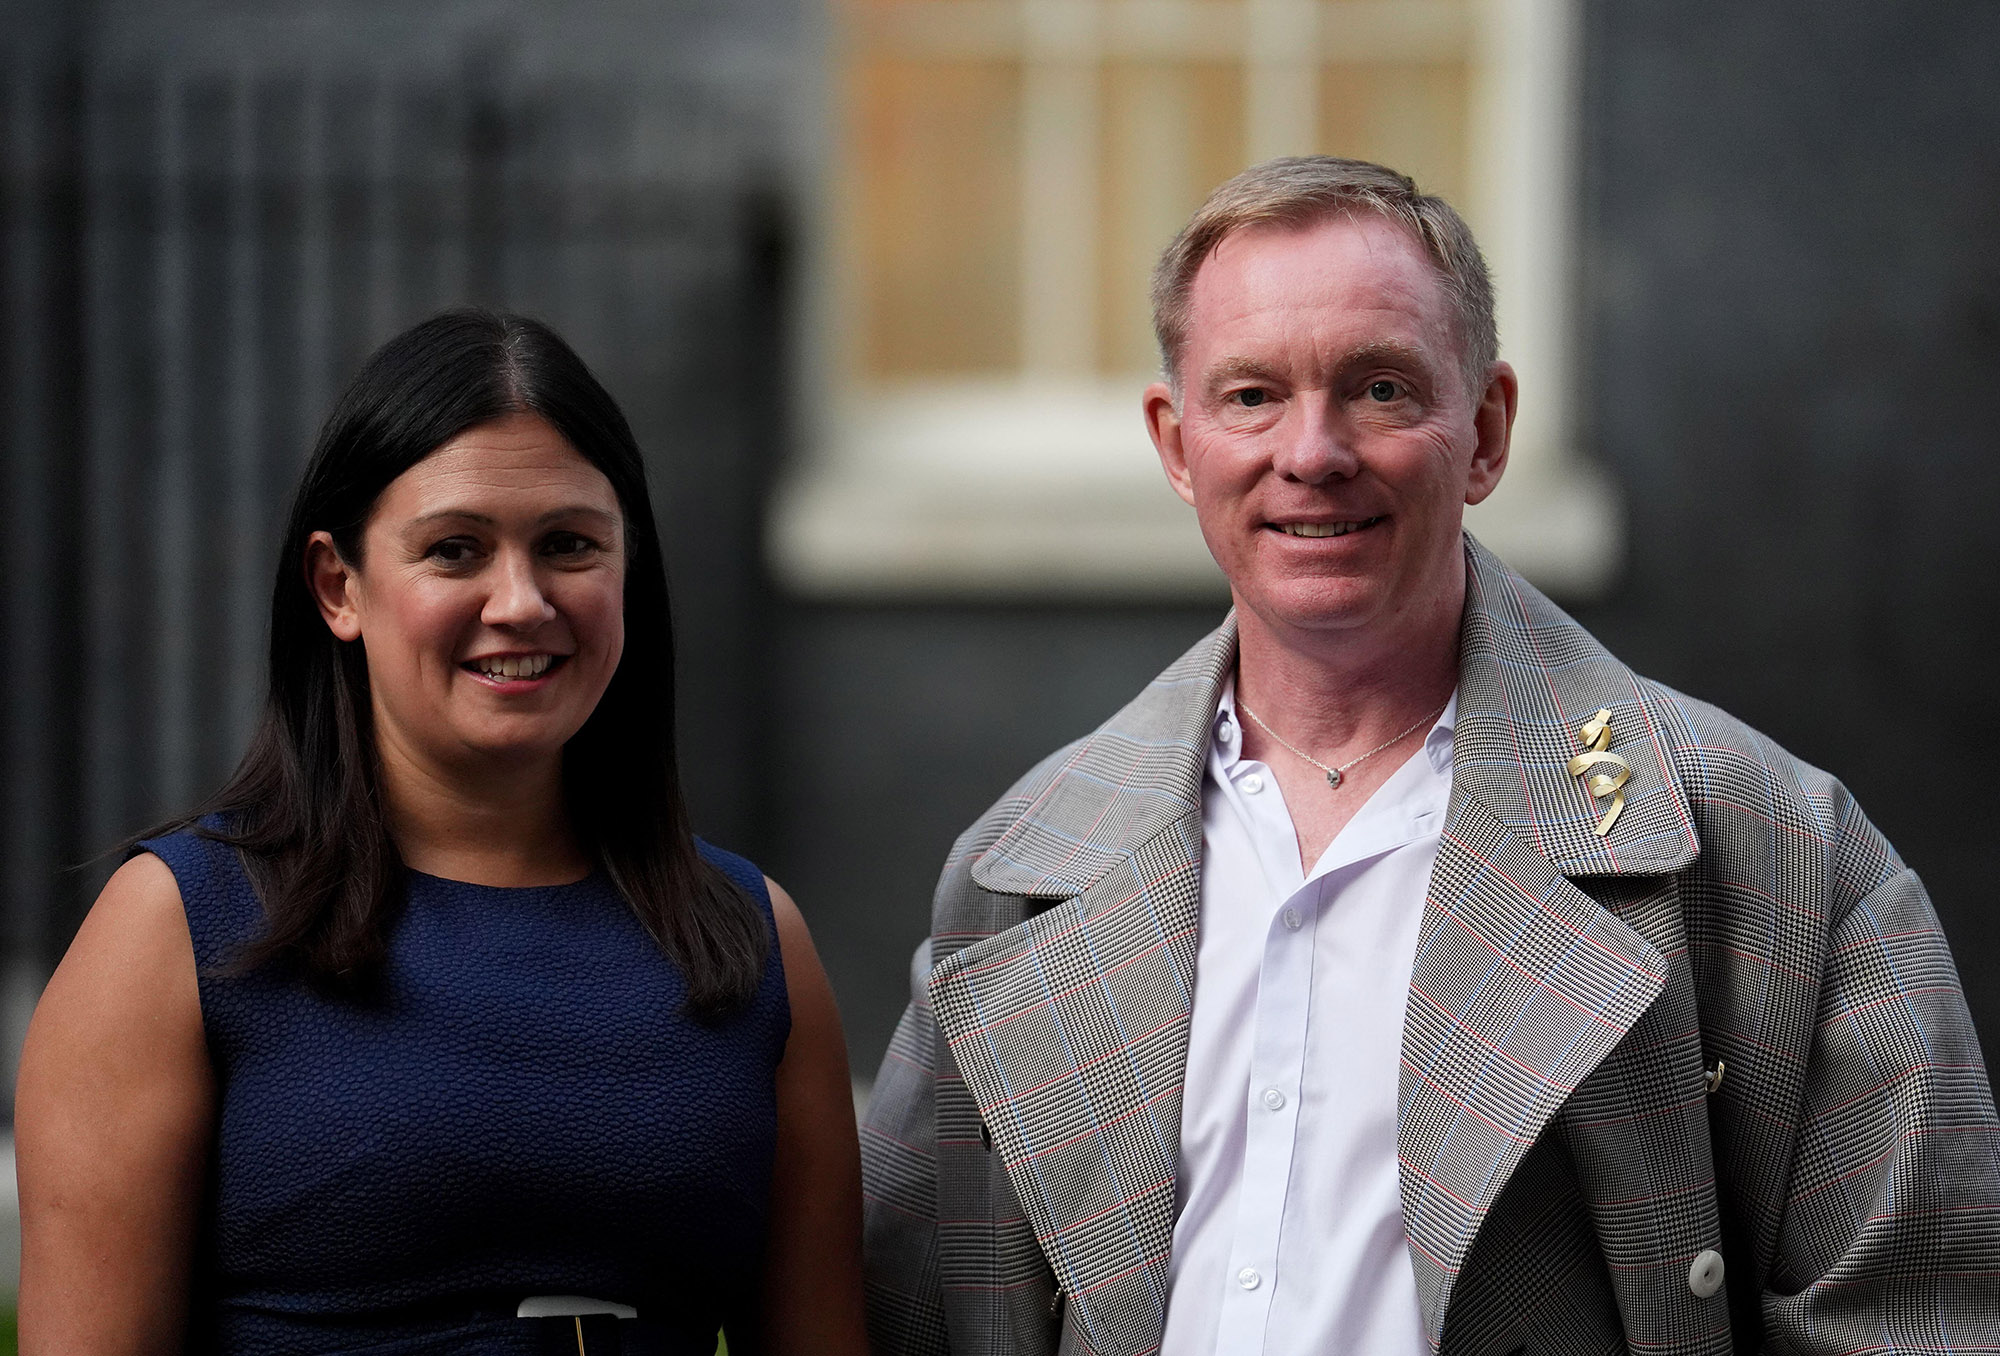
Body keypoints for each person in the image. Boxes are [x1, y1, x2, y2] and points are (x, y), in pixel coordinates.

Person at [859, 157, 2000, 1356]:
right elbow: (905, 1313)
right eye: (1250, 395)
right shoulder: (1020, 873)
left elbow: (1914, 1319)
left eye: (1380, 388)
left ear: (1487, 431)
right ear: (1176, 442)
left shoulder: (1770, 853)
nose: (1312, 451)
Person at [15, 308, 870, 1356]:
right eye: (455, 550)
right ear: (339, 588)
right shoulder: (176, 931)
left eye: (567, 546)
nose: (519, 601)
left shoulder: (750, 940)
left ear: (627, 573)